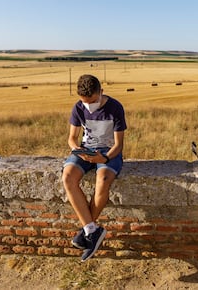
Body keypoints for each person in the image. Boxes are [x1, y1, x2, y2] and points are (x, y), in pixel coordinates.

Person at [62, 74, 127, 262]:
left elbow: (118, 145)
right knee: (67, 177)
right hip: (85, 150)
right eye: (85, 102)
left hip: (108, 152)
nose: (88, 105)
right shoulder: (78, 107)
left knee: (103, 179)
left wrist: (104, 158)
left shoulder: (115, 108)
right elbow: (72, 139)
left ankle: (87, 231)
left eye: (92, 101)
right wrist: (78, 151)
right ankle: (91, 229)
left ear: (101, 92)